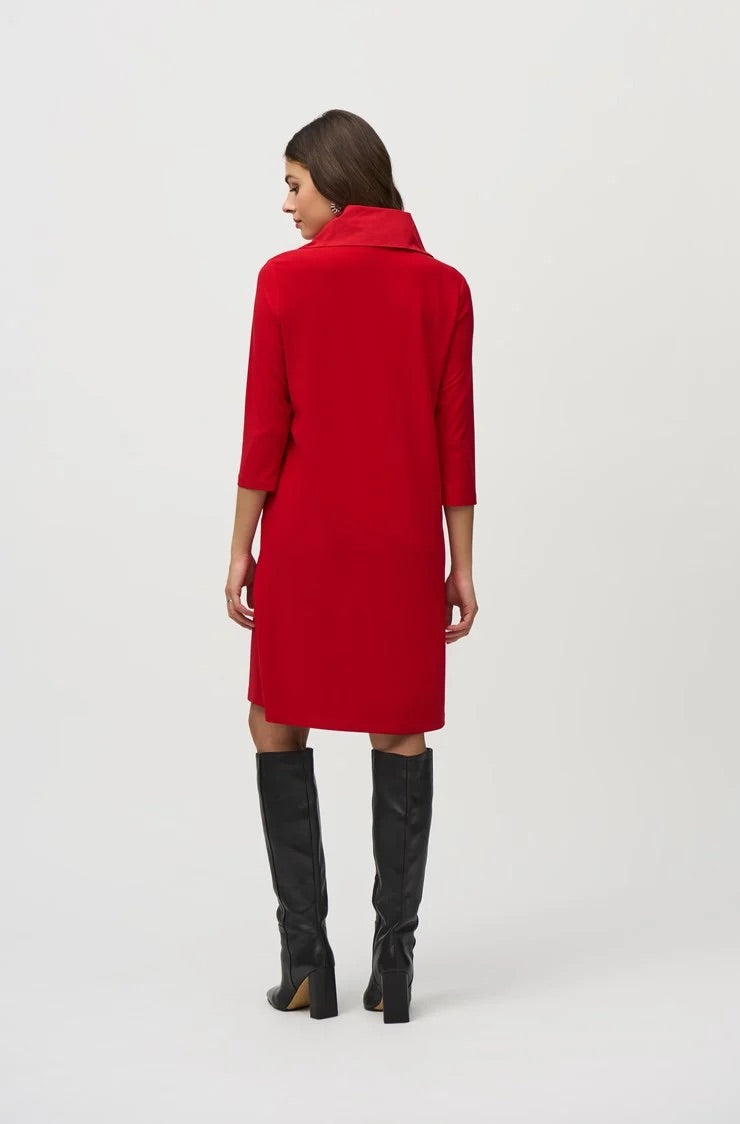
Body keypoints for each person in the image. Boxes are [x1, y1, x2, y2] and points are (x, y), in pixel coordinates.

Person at [225, 109, 479, 1023]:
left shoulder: (285, 281)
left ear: (337, 183)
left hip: (306, 543)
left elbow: (266, 430)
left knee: (274, 720)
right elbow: (456, 441)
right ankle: (395, 968)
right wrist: (461, 564)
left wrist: (240, 547)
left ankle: (306, 961)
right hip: (403, 547)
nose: (286, 204)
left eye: (294, 184)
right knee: (399, 731)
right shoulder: (444, 288)